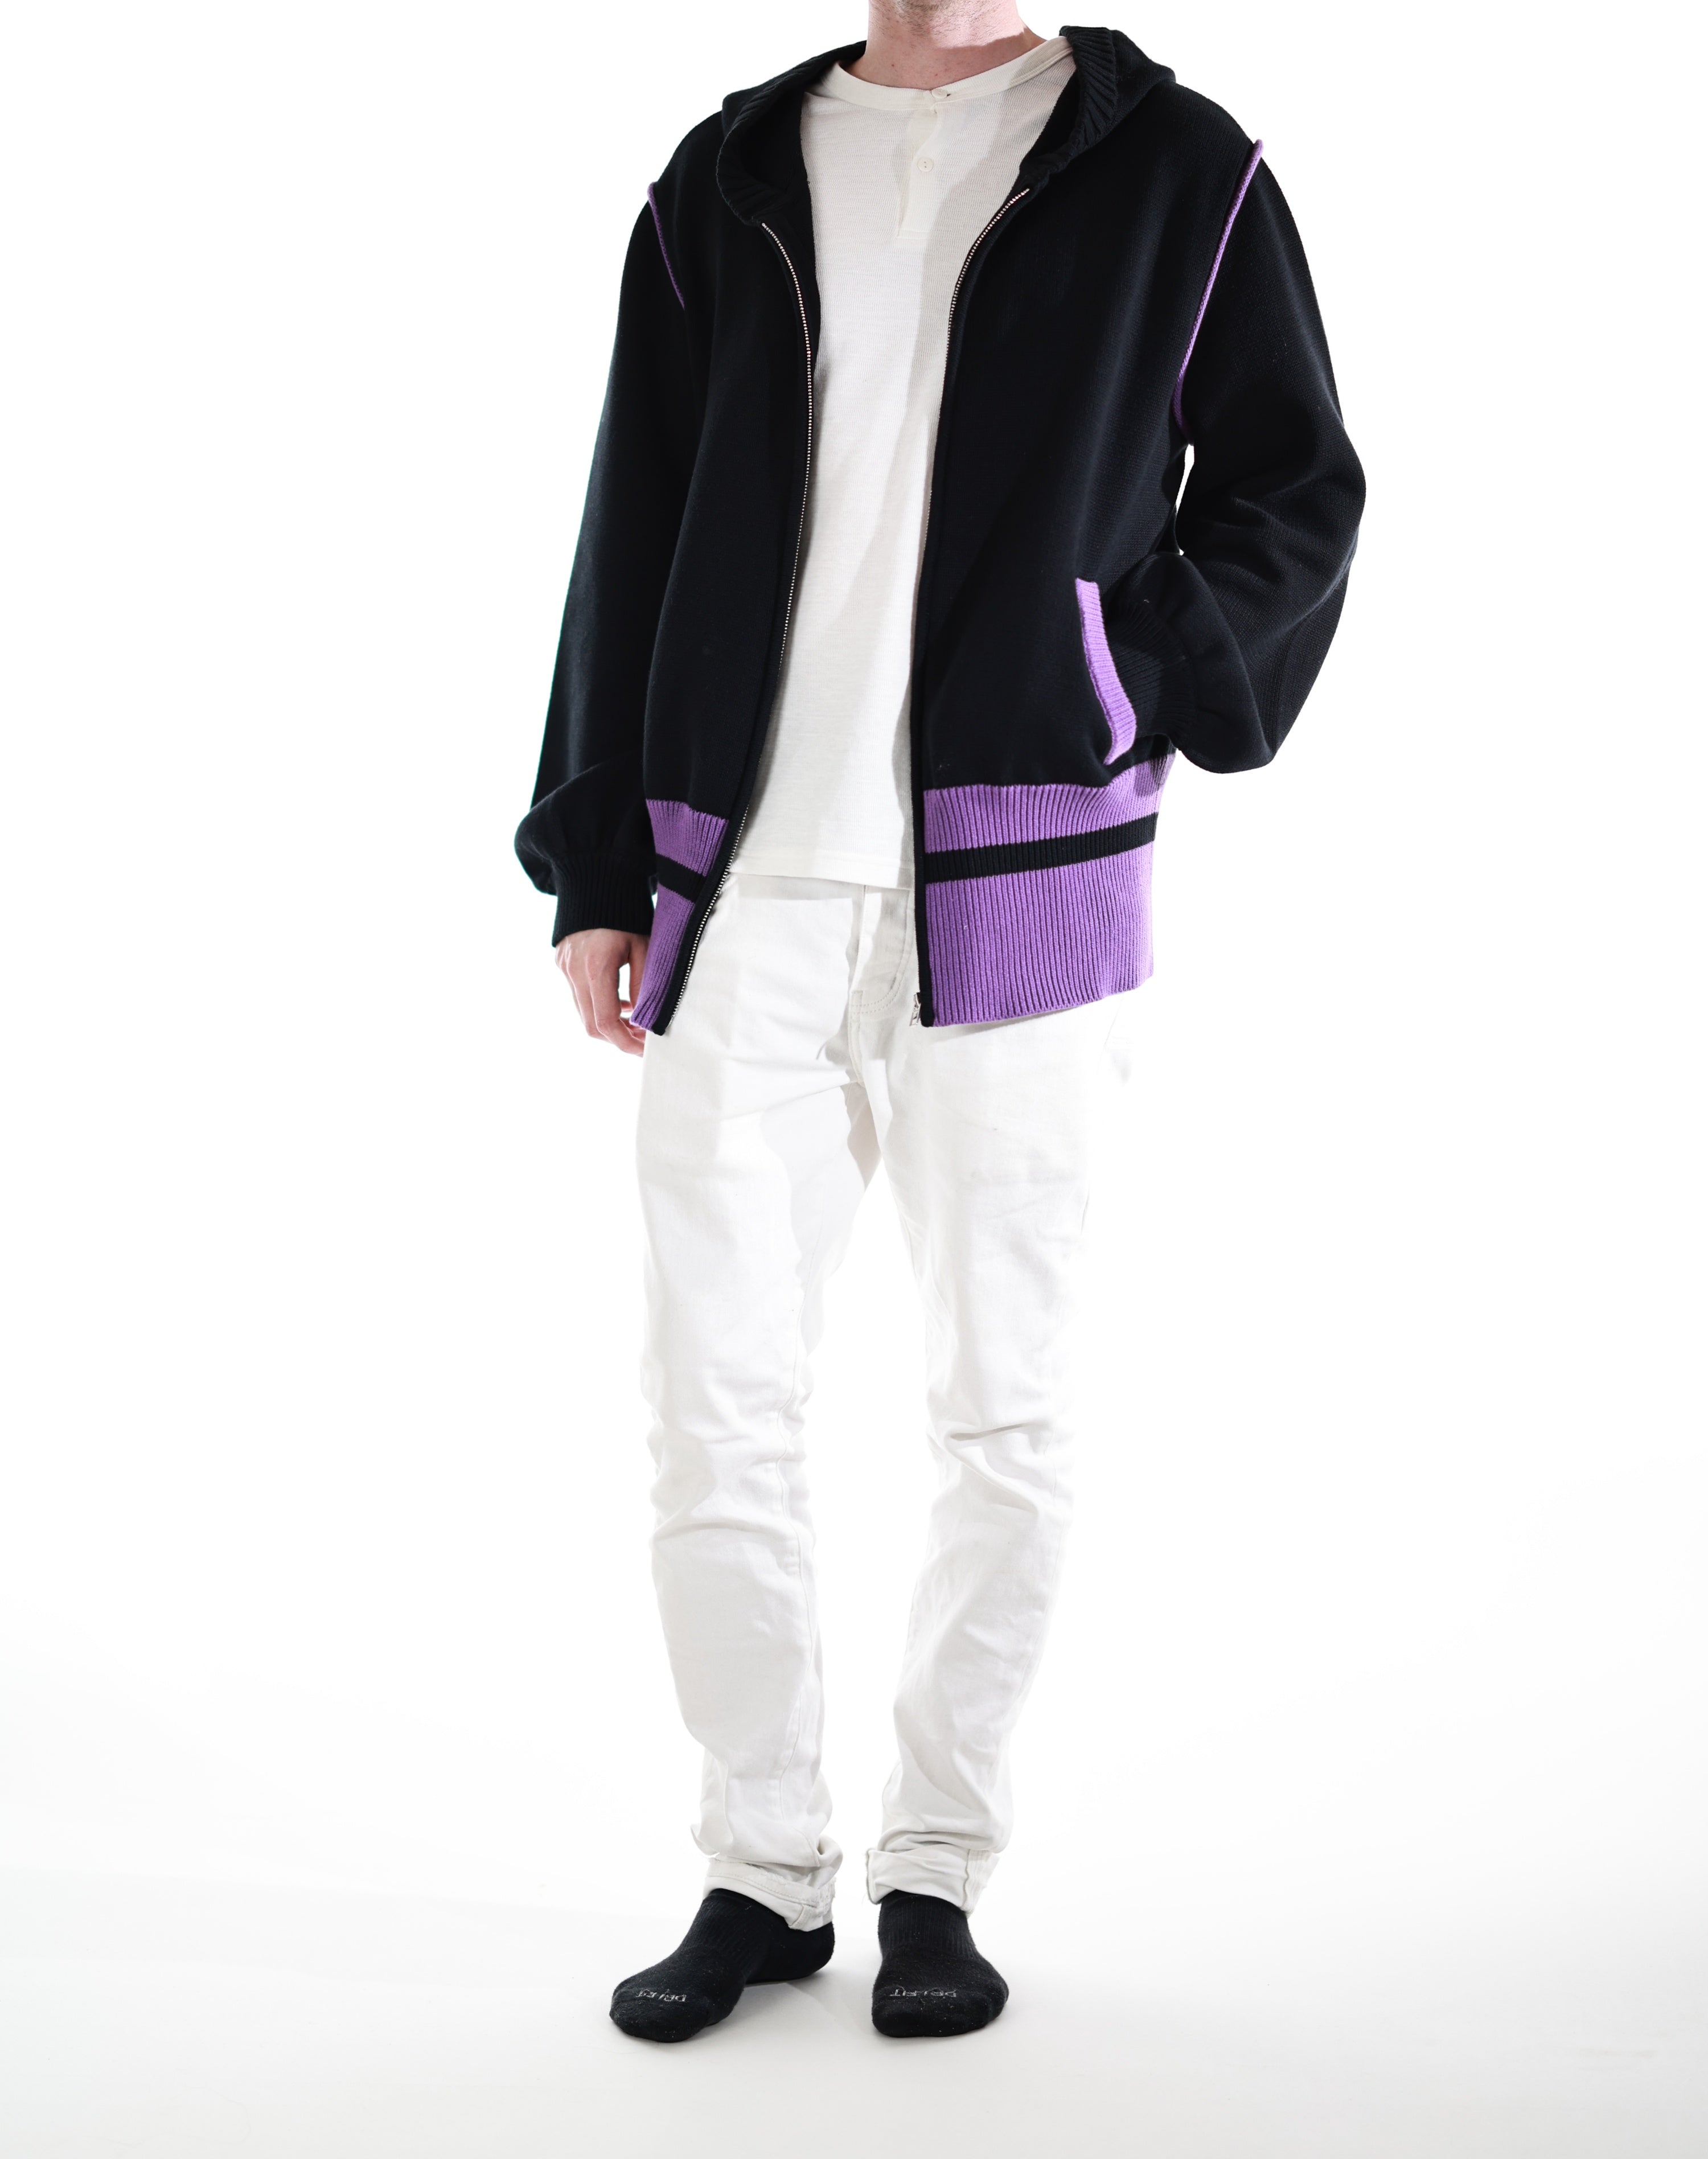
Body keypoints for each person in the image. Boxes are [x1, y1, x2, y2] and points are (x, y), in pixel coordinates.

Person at [516, 4, 1363, 2043]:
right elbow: (631, 517)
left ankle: (937, 1872)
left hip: (1024, 873)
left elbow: (1296, 488)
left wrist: (1125, 666)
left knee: (1007, 1405)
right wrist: (598, 858)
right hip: (740, 880)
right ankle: (760, 1867)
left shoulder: (1179, 168)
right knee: (715, 1404)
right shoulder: (730, 174)